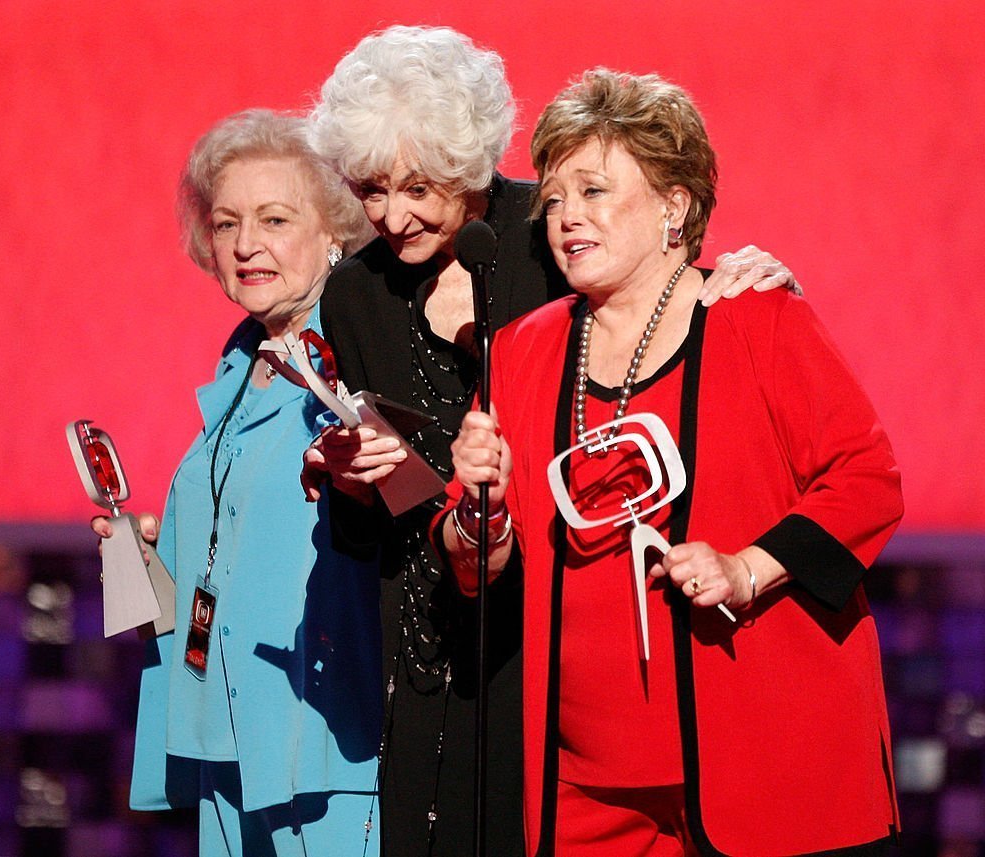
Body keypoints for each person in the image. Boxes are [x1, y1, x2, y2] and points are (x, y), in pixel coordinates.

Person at [303, 26, 798, 857]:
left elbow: (677, 323)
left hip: (564, 632)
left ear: (468, 159)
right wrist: (351, 484)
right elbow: (380, 524)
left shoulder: (557, 237)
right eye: (370, 189)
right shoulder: (356, 294)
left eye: (417, 186)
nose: (390, 216)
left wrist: (762, 280)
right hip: (426, 632)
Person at [443, 69, 903, 856]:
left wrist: (747, 567)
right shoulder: (522, 350)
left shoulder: (758, 316)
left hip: (766, 766)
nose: (566, 218)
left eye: (593, 191)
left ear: (674, 205)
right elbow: (474, 563)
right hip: (585, 790)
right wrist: (476, 513)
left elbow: (868, 481)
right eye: (554, 199)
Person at [93, 109, 382, 857]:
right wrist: (146, 562)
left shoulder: (360, 356)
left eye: (274, 218)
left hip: (321, 748)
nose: (246, 244)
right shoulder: (236, 373)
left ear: (336, 232)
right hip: (220, 741)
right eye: (226, 224)